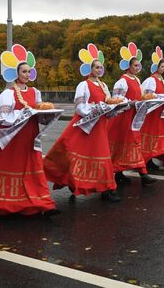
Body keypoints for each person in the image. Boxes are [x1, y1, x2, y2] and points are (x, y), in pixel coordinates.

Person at [0, 44, 59, 216]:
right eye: (24, 72)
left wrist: (47, 115)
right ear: (16, 73)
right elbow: (3, 117)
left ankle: (43, 203)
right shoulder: (8, 93)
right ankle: (8, 206)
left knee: (33, 168)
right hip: (13, 137)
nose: (27, 75)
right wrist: (24, 112)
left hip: (30, 136)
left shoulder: (35, 92)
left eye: (29, 72)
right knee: (12, 169)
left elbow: (40, 115)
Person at [43, 43, 120, 201]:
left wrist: (114, 107)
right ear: (90, 69)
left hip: (99, 126)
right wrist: (96, 109)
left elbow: (108, 102)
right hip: (84, 126)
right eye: (97, 67)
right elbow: (79, 107)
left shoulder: (104, 85)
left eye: (101, 67)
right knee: (77, 156)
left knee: (102, 156)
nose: (100, 70)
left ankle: (107, 188)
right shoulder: (83, 85)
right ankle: (77, 182)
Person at [109, 42, 157, 185]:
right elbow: (117, 99)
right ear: (129, 66)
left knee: (133, 144)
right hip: (124, 117)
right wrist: (130, 102)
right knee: (122, 145)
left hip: (134, 116)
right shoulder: (122, 81)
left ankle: (141, 174)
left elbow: (141, 95)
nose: (137, 68)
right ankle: (122, 173)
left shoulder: (137, 80)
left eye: (138, 65)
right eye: (135, 65)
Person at [140, 47, 164, 169]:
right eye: (162, 66)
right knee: (153, 137)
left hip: (163, 112)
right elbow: (148, 96)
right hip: (153, 113)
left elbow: (162, 93)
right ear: (156, 67)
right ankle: (148, 159)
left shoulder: (161, 80)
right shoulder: (151, 80)